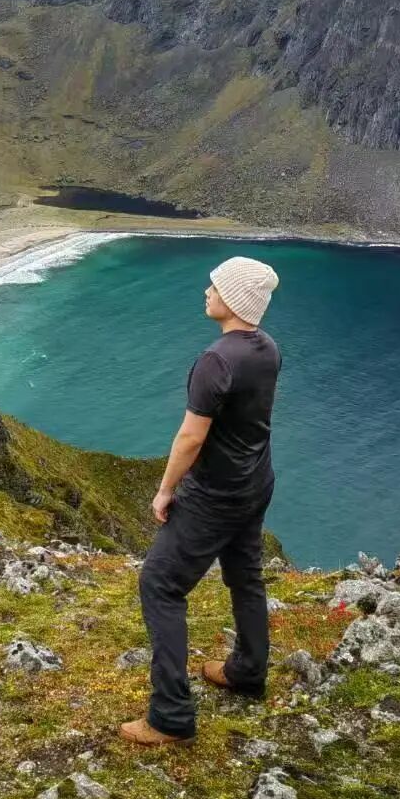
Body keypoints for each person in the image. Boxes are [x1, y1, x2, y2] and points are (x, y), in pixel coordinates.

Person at [119, 254, 282, 746]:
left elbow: (190, 438)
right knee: (245, 577)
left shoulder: (216, 360)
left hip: (215, 495)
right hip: (256, 483)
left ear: (232, 299)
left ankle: (170, 716)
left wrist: (166, 489)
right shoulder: (267, 349)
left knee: (160, 585)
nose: (206, 291)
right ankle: (248, 672)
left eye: (214, 286)